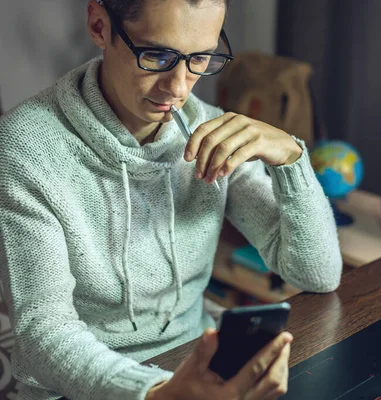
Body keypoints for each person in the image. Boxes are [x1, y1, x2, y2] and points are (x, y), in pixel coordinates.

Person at [0, 0, 343, 398]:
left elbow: (317, 275)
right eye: (157, 55)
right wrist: (157, 392)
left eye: (201, 58)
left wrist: (291, 158)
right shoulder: (24, 148)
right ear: (99, 26)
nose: (179, 88)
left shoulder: (210, 132)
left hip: (193, 363)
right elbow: (43, 332)